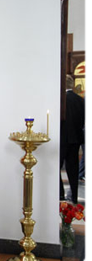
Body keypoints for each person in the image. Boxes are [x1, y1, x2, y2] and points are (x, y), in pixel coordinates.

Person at [60, 75, 86, 203]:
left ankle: (60, 194)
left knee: (57, 167)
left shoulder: (60, 99)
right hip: (75, 138)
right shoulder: (81, 100)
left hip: (62, 138)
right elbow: (84, 120)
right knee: (73, 169)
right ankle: (74, 196)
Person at [79, 82, 89, 183]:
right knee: (87, 152)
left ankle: (81, 173)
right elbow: (85, 115)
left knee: (86, 154)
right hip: (86, 131)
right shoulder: (85, 100)